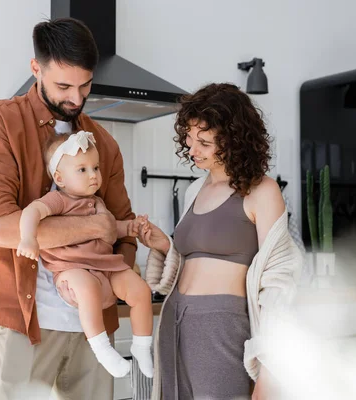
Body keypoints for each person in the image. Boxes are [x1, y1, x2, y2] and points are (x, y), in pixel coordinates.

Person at [0, 17, 137, 399]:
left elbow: (123, 229)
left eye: (85, 85)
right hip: (21, 323)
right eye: (63, 86)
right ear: (35, 69)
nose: (76, 98)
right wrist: (96, 228)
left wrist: (115, 287)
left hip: (95, 330)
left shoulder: (104, 144)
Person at [133, 83, 303, 399]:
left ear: (235, 141)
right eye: (189, 138)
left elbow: (278, 280)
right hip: (176, 319)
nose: (192, 149)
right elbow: (189, 264)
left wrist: (269, 365)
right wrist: (163, 245)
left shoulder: (262, 191)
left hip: (223, 326)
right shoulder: (194, 190)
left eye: (205, 142)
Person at [16, 131, 153, 379]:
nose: (93, 175)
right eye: (82, 170)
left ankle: (142, 346)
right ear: (60, 177)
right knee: (87, 288)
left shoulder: (97, 202)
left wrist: (130, 228)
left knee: (141, 291)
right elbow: (30, 212)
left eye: (96, 167)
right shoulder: (58, 200)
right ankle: (102, 350)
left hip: (105, 266)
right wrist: (28, 238)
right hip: (72, 269)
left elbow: (111, 226)